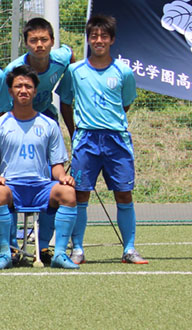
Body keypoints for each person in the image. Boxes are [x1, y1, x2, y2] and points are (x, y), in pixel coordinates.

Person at [59, 15, 146, 265]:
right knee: (80, 194)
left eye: (104, 36)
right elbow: (66, 102)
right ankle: (78, 249)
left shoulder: (123, 71)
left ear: (112, 40)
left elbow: (125, 102)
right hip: (86, 139)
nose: (99, 40)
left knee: (124, 193)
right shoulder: (75, 71)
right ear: (88, 39)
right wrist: (75, 131)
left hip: (116, 140)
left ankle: (129, 248)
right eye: (94, 36)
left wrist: (109, 124)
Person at [0, 65, 79, 270]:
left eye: (28, 86)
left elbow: (56, 165)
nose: (23, 90)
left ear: (35, 91)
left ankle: (59, 253)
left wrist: (63, 177)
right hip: (12, 186)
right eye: (18, 86)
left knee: (68, 193)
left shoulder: (49, 124)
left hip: (41, 186)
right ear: (10, 91)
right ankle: (5, 252)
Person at [0, 17, 73, 120]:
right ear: (26, 43)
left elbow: (70, 53)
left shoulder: (61, 60)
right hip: (17, 115)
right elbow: (0, 106)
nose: (39, 45)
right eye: (33, 40)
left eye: (44, 40)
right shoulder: (12, 71)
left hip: (44, 111)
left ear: (52, 41)